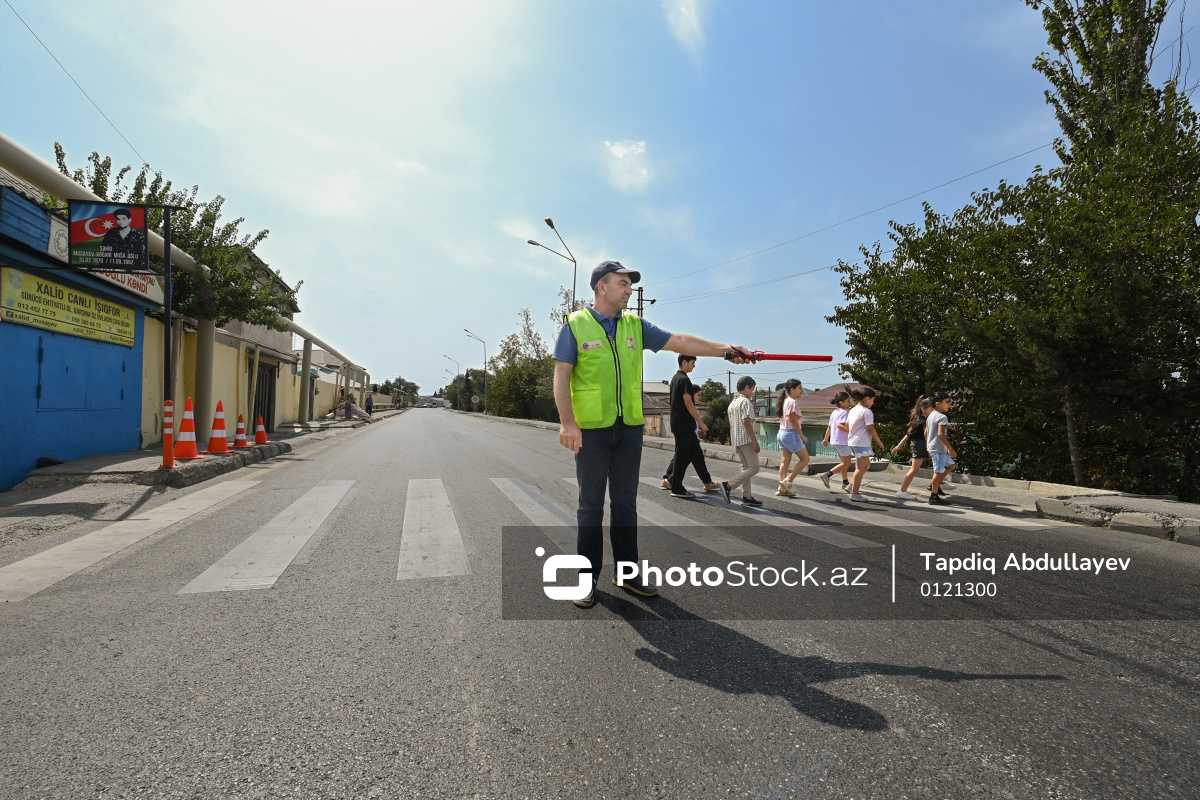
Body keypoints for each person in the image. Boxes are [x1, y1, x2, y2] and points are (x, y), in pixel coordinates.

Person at [553, 260, 751, 608]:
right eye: (623, 284)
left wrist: (725, 349)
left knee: (625, 503)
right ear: (601, 286)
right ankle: (586, 579)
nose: (629, 290)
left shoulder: (635, 325)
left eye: (630, 285)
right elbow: (562, 374)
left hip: (629, 428)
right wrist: (567, 422)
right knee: (590, 505)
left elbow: (679, 340)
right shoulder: (576, 325)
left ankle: (627, 574)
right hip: (591, 431)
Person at [660, 384, 723, 496]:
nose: (699, 397)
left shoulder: (689, 408)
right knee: (684, 460)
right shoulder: (691, 409)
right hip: (690, 439)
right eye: (698, 395)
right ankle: (670, 480)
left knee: (688, 459)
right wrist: (701, 427)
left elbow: (693, 428)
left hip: (691, 437)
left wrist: (699, 432)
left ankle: (668, 479)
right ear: (691, 395)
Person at [720, 375, 763, 506]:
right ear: (747, 387)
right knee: (754, 468)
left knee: (746, 468)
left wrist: (735, 444)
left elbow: (733, 424)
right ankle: (728, 485)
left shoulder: (732, 404)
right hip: (746, 439)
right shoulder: (745, 402)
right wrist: (755, 441)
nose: (753, 392)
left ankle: (747, 497)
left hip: (737, 440)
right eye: (752, 389)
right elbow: (746, 421)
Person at [846, 387, 886, 502]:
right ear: (868, 398)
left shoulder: (853, 410)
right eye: (873, 400)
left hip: (854, 441)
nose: (873, 403)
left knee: (866, 466)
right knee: (860, 468)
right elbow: (870, 428)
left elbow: (847, 426)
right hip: (861, 443)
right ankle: (854, 492)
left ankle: (852, 485)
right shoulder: (867, 411)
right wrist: (879, 441)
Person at [892, 396, 932, 500]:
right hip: (920, 444)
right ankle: (902, 491)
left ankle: (938, 483)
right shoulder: (924, 421)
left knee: (933, 464)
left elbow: (908, 434)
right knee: (914, 469)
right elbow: (926, 435)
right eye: (931, 408)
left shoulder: (917, 419)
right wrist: (930, 448)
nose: (932, 410)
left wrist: (899, 446)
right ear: (923, 409)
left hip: (916, 444)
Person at [773, 379, 809, 496]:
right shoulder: (793, 402)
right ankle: (788, 481)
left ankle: (782, 488)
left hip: (781, 433)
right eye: (799, 388)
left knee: (785, 461)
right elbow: (793, 419)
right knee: (805, 459)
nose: (801, 390)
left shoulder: (785, 401)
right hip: (791, 433)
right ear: (792, 389)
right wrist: (801, 435)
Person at [925, 392, 957, 505]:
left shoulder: (930, 416)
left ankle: (934, 484)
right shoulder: (942, 417)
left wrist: (929, 445)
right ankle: (933, 497)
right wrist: (950, 449)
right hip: (938, 449)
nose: (949, 405)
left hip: (935, 448)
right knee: (938, 471)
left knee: (952, 465)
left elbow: (926, 432)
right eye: (947, 402)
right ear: (938, 404)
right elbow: (941, 434)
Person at [818, 390, 853, 492]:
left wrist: (826, 439)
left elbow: (830, 427)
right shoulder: (844, 413)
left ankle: (845, 482)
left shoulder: (834, 412)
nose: (850, 403)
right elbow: (840, 425)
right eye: (848, 401)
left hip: (835, 441)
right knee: (847, 463)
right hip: (842, 442)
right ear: (841, 402)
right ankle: (827, 475)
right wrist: (851, 432)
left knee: (843, 463)